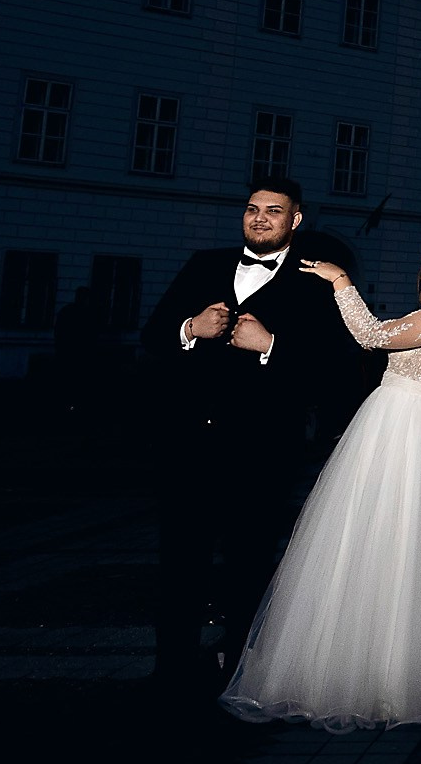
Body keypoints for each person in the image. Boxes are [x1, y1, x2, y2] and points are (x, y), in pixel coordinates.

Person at [220, 226, 421, 730]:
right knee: (404, 542)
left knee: (390, 539)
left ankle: (392, 674)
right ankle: (404, 662)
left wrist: (340, 281)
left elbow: (372, 336)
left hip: (406, 428)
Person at [144, 177, 369, 692]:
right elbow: (153, 335)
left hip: (262, 451)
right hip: (187, 448)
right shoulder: (204, 265)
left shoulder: (316, 283)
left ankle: (243, 670)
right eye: (252, 209)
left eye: (273, 210)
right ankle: (171, 671)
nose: (259, 218)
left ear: (296, 220)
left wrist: (272, 346)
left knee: (248, 562)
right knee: (180, 560)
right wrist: (188, 328)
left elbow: (336, 372)